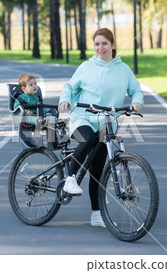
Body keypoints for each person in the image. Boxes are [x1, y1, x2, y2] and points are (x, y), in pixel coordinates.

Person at [58, 28, 144, 228]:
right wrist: (65, 100)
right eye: (97, 44)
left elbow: (136, 89)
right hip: (82, 117)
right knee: (86, 139)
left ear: (113, 45)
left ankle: (96, 214)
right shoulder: (87, 67)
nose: (100, 48)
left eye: (104, 43)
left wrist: (137, 101)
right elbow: (69, 87)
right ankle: (70, 179)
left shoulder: (123, 70)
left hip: (106, 122)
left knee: (97, 169)